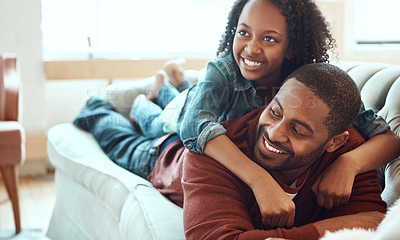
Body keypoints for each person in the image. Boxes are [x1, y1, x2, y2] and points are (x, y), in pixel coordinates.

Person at [125, 0, 400, 226]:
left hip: (200, 106)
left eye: (269, 39)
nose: (252, 48)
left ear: (292, 47)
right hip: (183, 122)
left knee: (178, 99)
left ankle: (174, 79)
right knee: (157, 120)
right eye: (244, 33)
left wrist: (348, 164)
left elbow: (388, 139)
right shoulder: (224, 71)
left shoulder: (311, 82)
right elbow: (193, 127)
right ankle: (154, 92)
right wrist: (259, 179)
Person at [74, 63, 387, 239]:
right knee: (117, 134)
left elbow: (370, 220)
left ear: (335, 142)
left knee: (170, 110)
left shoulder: (348, 155)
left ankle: (165, 89)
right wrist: (323, 229)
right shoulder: (209, 153)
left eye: (298, 129)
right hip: (164, 158)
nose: (274, 133)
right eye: (275, 112)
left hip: (182, 132)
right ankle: (101, 105)